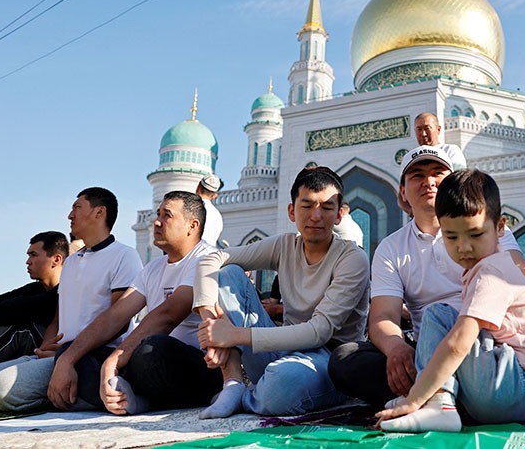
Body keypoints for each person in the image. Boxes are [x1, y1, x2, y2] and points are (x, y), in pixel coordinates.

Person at [328, 146, 525, 407]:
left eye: (437, 173)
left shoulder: (483, 229)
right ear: (402, 193)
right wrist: (396, 348)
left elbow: (520, 269)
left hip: (492, 346)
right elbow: (383, 317)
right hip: (428, 349)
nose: (428, 182)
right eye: (417, 175)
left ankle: (436, 395)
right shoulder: (392, 247)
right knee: (346, 359)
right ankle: (448, 393)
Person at [377, 170, 525, 432]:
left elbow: (459, 344)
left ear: (499, 227)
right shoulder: (480, 269)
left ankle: (438, 403)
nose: (463, 247)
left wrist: (414, 397)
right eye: (452, 237)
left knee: (439, 315)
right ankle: (440, 400)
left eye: (474, 235)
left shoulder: (491, 271)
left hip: (517, 386)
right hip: (513, 390)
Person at [193, 166, 370, 419]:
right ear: (292, 211)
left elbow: (319, 331)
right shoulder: (284, 245)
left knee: (282, 384)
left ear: (339, 215)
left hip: (328, 360)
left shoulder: (352, 259)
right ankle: (232, 383)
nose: (316, 216)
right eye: (307, 206)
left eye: (326, 207)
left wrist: (233, 335)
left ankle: (249, 396)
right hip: (280, 349)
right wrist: (211, 325)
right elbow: (211, 259)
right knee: (227, 274)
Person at [48, 191, 221, 414]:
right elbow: (115, 315)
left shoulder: (206, 259)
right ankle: (123, 398)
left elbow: (167, 316)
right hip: (149, 366)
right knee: (73, 352)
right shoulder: (153, 269)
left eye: (166, 215)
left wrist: (113, 361)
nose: (156, 222)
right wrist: (67, 359)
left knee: (151, 350)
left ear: (192, 225)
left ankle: (125, 398)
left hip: (196, 364)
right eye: (157, 214)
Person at [0, 187, 141, 412]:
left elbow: (117, 323)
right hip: (60, 355)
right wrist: (45, 349)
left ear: (99, 213)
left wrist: (68, 356)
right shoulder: (70, 263)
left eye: (77, 208)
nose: (70, 216)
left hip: (92, 357)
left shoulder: (124, 255)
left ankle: (72, 394)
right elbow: (58, 319)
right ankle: (66, 393)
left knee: (1, 388)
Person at [0, 232, 68, 365]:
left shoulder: (65, 291)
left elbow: (10, 309)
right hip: (36, 349)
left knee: (22, 329)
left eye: (34, 255)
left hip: (55, 353)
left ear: (56, 260)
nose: (28, 261)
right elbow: (1, 301)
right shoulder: (35, 288)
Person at [196, 174, 224, 247]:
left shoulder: (189, 207)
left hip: (189, 256)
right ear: (214, 196)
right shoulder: (218, 216)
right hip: (209, 256)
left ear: (198, 188)